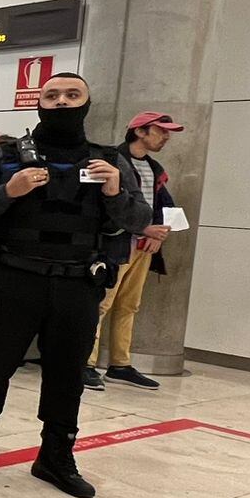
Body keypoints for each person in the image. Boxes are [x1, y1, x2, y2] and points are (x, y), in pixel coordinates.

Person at [0, 73, 154, 498]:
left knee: (67, 375)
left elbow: (138, 221)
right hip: (13, 280)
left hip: (78, 284)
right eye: (51, 95)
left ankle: (56, 457)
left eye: (72, 95)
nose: (61, 102)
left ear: (87, 104)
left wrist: (114, 191)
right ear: (38, 103)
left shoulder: (109, 161)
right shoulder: (5, 155)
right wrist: (8, 191)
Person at [86, 111, 183, 390]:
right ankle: (85, 363)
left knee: (129, 306)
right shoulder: (113, 160)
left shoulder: (154, 168)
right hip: (115, 245)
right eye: (160, 130)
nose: (165, 136)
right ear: (140, 131)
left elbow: (167, 205)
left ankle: (120, 364)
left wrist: (160, 234)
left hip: (144, 247)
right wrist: (144, 228)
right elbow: (108, 207)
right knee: (101, 304)